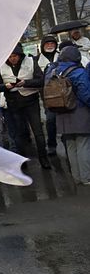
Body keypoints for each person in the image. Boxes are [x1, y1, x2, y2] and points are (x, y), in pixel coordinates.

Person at [0, 43, 51, 169]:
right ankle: (22, 161)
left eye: (15, 56)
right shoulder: (1, 66)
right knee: (19, 134)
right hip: (13, 102)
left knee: (38, 132)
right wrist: (6, 86)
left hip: (31, 101)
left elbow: (41, 80)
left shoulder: (30, 61)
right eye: (10, 56)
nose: (12, 58)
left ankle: (43, 158)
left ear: (20, 55)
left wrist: (26, 83)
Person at [46, 46, 90, 185]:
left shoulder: (52, 70)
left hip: (61, 113)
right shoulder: (78, 72)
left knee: (71, 146)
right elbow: (86, 94)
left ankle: (77, 177)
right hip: (79, 112)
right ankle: (86, 177)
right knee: (83, 144)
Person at [38, 35, 60, 155]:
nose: (50, 45)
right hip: (48, 96)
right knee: (51, 120)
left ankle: (66, 141)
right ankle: (52, 144)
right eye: (47, 44)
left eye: (52, 43)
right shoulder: (37, 60)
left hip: (63, 94)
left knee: (64, 119)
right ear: (42, 46)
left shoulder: (61, 56)